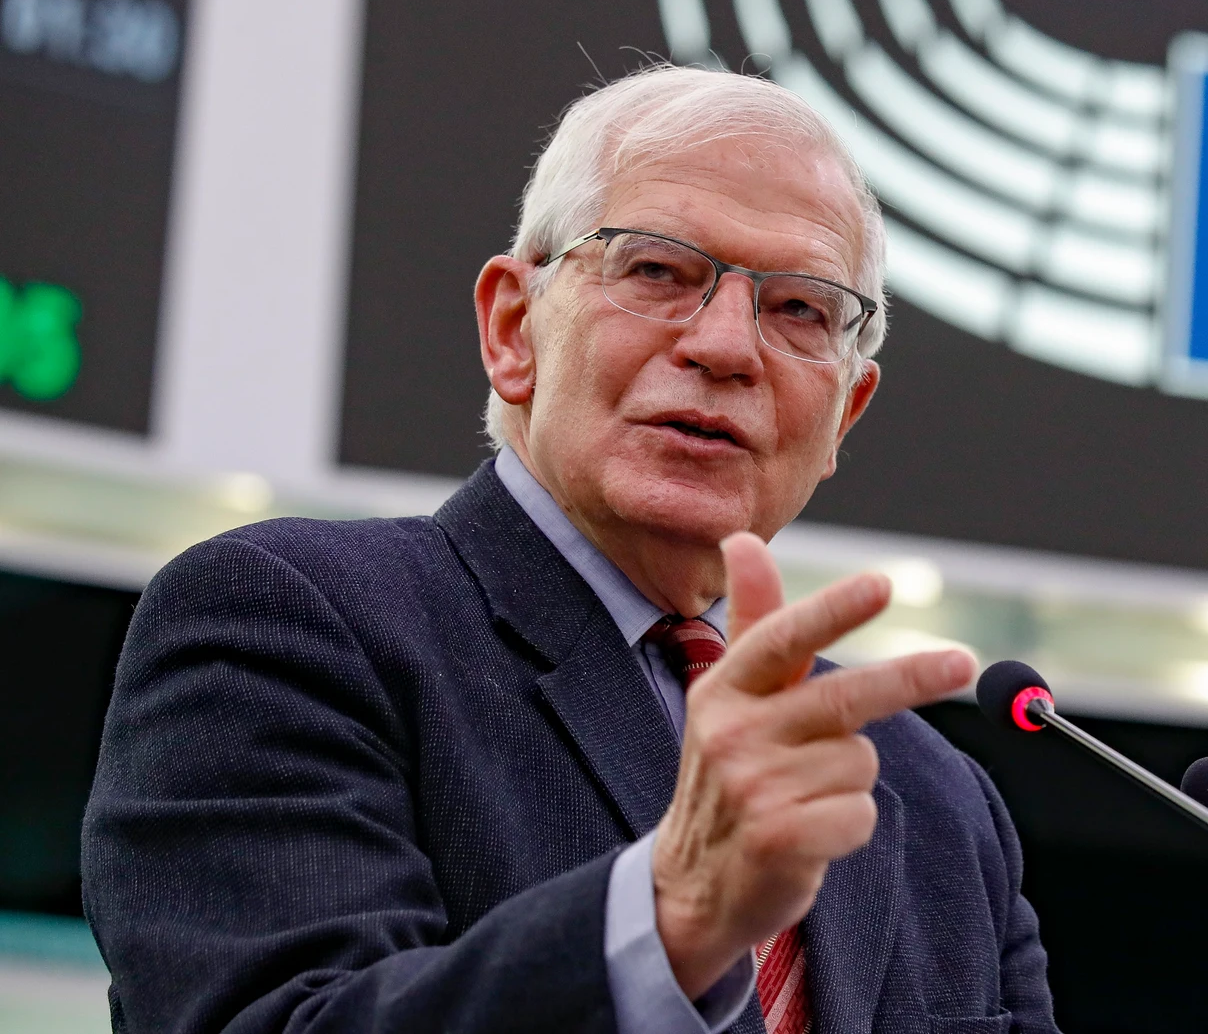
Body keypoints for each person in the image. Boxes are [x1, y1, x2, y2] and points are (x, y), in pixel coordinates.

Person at [81, 65, 1058, 1034]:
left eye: (798, 308)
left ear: (843, 410)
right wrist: (671, 916)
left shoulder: (937, 799)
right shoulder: (285, 626)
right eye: (657, 271)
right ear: (513, 330)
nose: (725, 346)